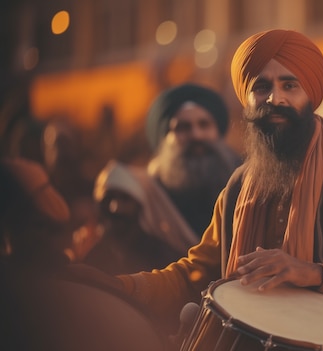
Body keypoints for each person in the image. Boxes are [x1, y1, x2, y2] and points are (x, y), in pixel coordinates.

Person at [114, 29, 323, 351]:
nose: (275, 99)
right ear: (247, 99)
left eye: (290, 85)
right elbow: (195, 276)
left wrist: (316, 274)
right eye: (262, 86)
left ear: (311, 94)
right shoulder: (239, 188)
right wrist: (117, 286)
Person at [0, 157, 167, 351]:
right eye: (108, 199)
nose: (115, 208)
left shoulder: (160, 252)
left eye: (125, 199)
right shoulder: (88, 260)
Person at [84, 84, 242, 271]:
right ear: (164, 138)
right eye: (183, 127)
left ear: (218, 131)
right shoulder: (145, 195)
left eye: (204, 124)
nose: (196, 135)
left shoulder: (243, 183)